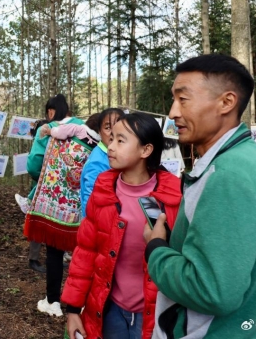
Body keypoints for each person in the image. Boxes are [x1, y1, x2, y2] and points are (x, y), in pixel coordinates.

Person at [144, 54, 256, 338]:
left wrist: (156, 249)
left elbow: (213, 291)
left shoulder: (229, 175)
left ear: (226, 102)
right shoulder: (247, 159)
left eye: (183, 99)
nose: (173, 112)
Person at [62, 113, 182, 339]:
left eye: (120, 140)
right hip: (110, 310)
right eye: (111, 138)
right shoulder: (104, 189)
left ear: (145, 150)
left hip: (154, 312)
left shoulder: (173, 196)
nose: (110, 146)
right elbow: (86, 251)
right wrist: (73, 309)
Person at [25, 94, 92, 317]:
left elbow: (34, 164)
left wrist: (46, 180)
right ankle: (81, 303)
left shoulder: (48, 128)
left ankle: (53, 301)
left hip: (54, 206)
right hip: (84, 204)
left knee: (54, 252)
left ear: (52, 111)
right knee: (84, 253)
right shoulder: (86, 128)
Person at [15, 119, 49, 273]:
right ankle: (33, 259)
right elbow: (34, 168)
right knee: (37, 224)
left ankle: (54, 257)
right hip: (39, 188)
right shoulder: (39, 146)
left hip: (51, 188)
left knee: (52, 224)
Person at [79, 108, 125, 218]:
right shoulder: (97, 163)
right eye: (108, 128)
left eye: (118, 125)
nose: (114, 132)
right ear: (99, 132)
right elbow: (90, 204)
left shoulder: (116, 154)